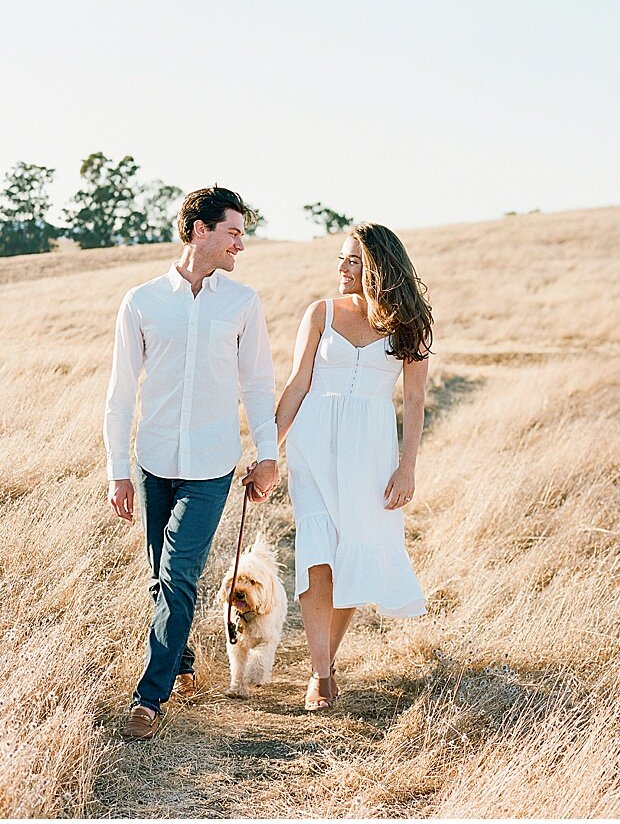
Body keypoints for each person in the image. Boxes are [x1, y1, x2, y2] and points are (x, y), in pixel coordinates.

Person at [105, 186, 279, 740]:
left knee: (178, 574)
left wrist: (269, 455)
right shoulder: (142, 301)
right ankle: (179, 661)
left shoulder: (242, 303)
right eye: (233, 233)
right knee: (162, 580)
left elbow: (257, 383)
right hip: (154, 459)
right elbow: (119, 392)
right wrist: (118, 470)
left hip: (211, 464)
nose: (241, 245)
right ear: (199, 231)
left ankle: (149, 700)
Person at [274, 222, 431, 710]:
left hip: (371, 449)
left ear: (379, 267)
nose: (341, 268)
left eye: (353, 260)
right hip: (314, 443)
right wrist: (265, 452)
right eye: (341, 259)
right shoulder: (320, 313)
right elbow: (298, 383)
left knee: (352, 555)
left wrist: (406, 468)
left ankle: (328, 659)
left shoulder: (410, 325)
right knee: (318, 550)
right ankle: (319, 675)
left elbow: (416, 399)